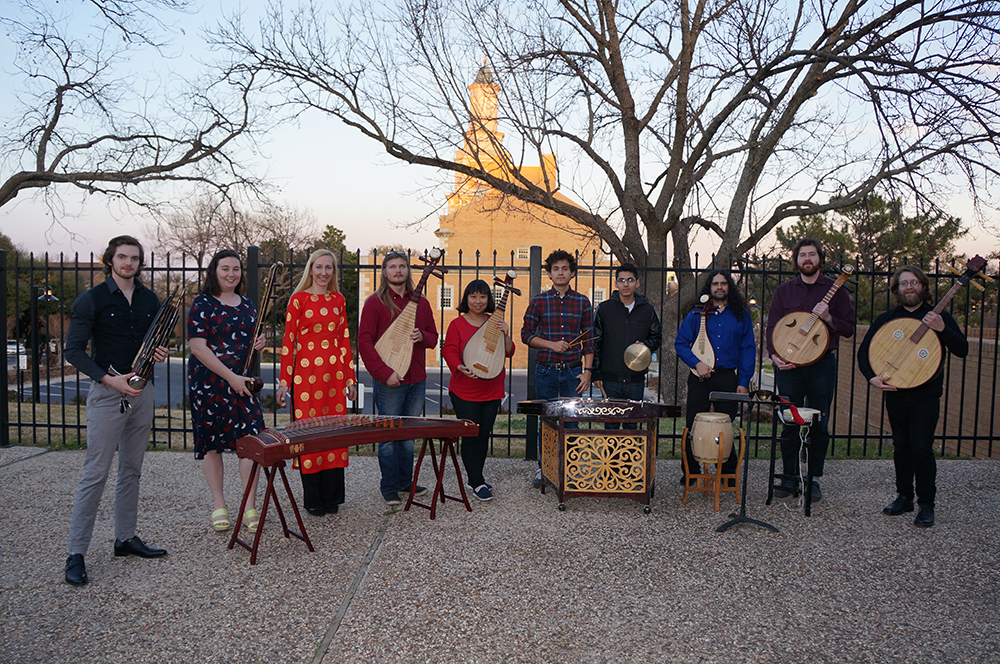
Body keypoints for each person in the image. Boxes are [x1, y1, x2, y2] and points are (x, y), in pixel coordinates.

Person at [63, 235, 169, 586]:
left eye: (134, 258)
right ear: (110, 260)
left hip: (143, 391)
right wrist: (110, 381)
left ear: (140, 263)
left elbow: (156, 341)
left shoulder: (149, 299)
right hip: (108, 392)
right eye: (122, 257)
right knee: (95, 473)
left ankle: (125, 538)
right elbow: (74, 351)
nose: (128, 263)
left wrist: (160, 353)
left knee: (132, 469)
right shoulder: (90, 299)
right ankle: (76, 553)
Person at [857, 266, 968, 528]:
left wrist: (942, 329)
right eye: (904, 283)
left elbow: (962, 349)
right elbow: (864, 352)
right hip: (896, 392)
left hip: (926, 394)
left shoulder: (938, 316)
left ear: (923, 286)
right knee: (901, 445)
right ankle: (904, 496)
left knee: (921, 447)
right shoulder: (888, 318)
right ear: (897, 289)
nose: (909, 287)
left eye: (914, 282)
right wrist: (871, 378)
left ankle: (926, 503)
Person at [766, 239, 855, 501]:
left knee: (820, 423)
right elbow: (772, 327)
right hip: (789, 365)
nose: (807, 259)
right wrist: (774, 355)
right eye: (802, 255)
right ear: (796, 260)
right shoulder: (784, 291)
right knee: (789, 422)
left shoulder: (835, 290)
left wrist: (828, 318)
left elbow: (848, 328)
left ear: (820, 259)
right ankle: (789, 477)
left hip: (822, 365)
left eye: (812, 254)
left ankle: (813, 478)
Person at [187, 250, 266, 534]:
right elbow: (198, 347)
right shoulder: (202, 304)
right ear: (214, 272)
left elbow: (249, 339)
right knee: (211, 442)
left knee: (249, 443)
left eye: (236, 269)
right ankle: (219, 504)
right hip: (209, 383)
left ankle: (249, 505)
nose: (231, 274)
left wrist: (259, 342)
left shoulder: (247, 305)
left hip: (242, 384)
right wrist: (230, 377)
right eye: (225, 269)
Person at [277, 249, 358, 516]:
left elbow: (344, 340)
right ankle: (313, 498)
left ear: (334, 272)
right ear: (310, 269)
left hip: (335, 377)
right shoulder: (298, 300)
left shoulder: (338, 300)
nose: (324, 272)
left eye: (329, 268)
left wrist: (350, 379)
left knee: (333, 431)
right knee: (310, 432)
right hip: (306, 376)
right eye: (319, 267)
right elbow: (288, 343)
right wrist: (283, 383)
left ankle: (332, 497)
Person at [357, 250, 437, 505]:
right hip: (389, 380)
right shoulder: (374, 303)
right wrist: (385, 374)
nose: (398, 270)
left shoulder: (422, 304)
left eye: (402, 266)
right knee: (389, 437)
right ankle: (389, 486)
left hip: (416, 378)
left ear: (407, 271)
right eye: (393, 266)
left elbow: (434, 338)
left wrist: (421, 336)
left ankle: (405, 482)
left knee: (408, 436)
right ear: (385, 272)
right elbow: (365, 342)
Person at [520, 249, 595, 487]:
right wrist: (551, 345)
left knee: (572, 423)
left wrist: (588, 371)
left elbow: (589, 340)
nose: (560, 272)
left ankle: (570, 471)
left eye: (564, 268)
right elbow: (526, 335)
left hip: (574, 371)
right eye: (555, 269)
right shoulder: (539, 301)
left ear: (572, 273)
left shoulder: (583, 302)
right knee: (549, 423)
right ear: (550, 274)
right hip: (546, 371)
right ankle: (547, 470)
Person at [674, 270, 756, 480]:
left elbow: (748, 348)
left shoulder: (741, 315)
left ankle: (727, 472)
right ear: (709, 288)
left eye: (723, 283)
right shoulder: (697, 313)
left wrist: (744, 381)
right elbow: (681, 343)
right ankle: (691, 472)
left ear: (730, 286)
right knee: (693, 424)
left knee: (726, 426)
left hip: (727, 377)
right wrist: (697, 363)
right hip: (700, 376)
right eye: (715, 284)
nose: (719, 287)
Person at [443, 279, 516, 501]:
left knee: (483, 435)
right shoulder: (457, 324)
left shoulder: (495, 322)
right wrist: (459, 367)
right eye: (473, 296)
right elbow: (449, 350)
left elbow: (509, 351)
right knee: (471, 435)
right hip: (465, 390)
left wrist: (505, 333)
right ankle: (476, 482)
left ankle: (477, 477)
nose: (478, 301)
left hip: (491, 388)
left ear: (488, 300)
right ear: (466, 298)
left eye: (483, 297)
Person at [592, 262, 662, 429]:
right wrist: (596, 373)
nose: (626, 284)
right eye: (621, 280)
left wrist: (645, 344)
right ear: (616, 283)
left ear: (637, 283)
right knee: (611, 425)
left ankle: (630, 456)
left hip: (636, 380)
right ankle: (611, 456)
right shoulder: (604, 309)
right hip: (610, 379)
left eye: (630, 280)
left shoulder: (647, 310)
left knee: (632, 425)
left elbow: (657, 337)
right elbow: (595, 341)